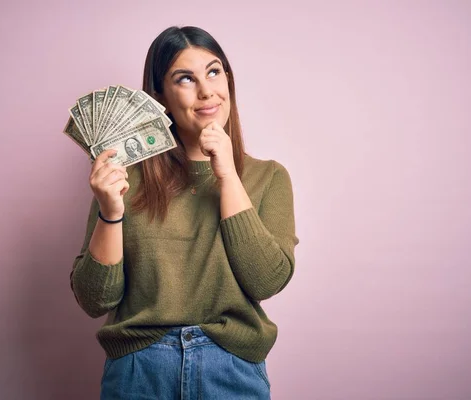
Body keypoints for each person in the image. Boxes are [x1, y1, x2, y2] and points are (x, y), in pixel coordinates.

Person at [70, 25, 299, 400]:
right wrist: (110, 212)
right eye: (185, 79)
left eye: (213, 71)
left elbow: (266, 281)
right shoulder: (123, 177)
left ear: (228, 79)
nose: (206, 90)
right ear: (159, 96)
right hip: (139, 371)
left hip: (231, 368)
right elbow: (94, 300)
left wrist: (227, 175)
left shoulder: (269, 177)